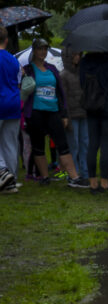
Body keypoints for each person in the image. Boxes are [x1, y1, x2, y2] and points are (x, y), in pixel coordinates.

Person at [22, 38, 89, 189]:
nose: (43, 52)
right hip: (35, 111)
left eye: (45, 49)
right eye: (40, 49)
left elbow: (60, 93)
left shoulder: (52, 69)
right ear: (34, 51)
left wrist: (64, 114)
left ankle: (74, 177)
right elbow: (22, 89)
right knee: (38, 145)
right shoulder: (28, 69)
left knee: (62, 144)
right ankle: (45, 176)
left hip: (53, 111)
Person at [79, 50, 108, 194]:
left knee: (93, 144)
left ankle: (93, 182)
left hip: (91, 106)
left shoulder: (84, 63)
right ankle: (104, 182)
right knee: (106, 144)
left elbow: (82, 83)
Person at [60, 47, 88, 182]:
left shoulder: (82, 72)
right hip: (71, 115)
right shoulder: (63, 75)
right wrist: (65, 116)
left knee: (85, 143)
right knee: (74, 145)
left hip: (84, 113)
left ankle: (85, 172)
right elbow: (63, 98)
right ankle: (74, 174)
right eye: (75, 54)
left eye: (79, 54)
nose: (77, 57)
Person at [0, 25, 21, 193]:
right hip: (13, 103)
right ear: (6, 40)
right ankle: (11, 179)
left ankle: (2, 171)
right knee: (10, 143)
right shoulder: (14, 60)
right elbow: (19, 81)